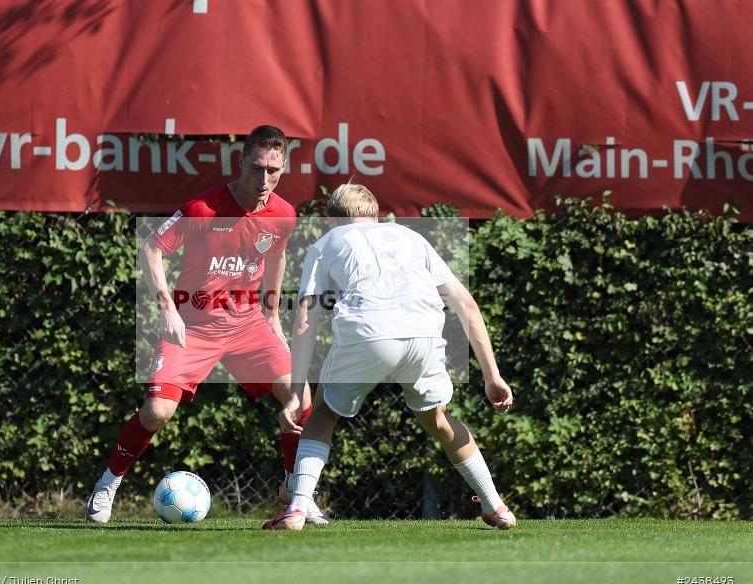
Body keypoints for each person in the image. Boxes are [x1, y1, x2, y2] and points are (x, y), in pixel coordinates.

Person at [86, 125, 326, 524]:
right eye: (257, 168)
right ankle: (108, 481)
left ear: (283, 168)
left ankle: (295, 492)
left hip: (248, 324)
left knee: (299, 400)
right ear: (241, 162)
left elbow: (277, 256)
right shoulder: (203, 209)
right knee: (157, 412)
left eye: (273, 170)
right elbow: (151, 249)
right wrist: (167, 309)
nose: (264, 179)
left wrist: (270, 312)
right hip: (193, 326)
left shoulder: (283, 214)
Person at [263, 183, 516, 531]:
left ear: (329, 220)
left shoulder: (325, 244)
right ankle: (497, 506)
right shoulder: (411, 237)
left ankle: (296, 510)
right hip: (425, 332)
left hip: (370, 332)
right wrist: (492, 375)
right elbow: (466, 303)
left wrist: (295, 391)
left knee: (321, 412)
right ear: (376, 216)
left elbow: (307, 313)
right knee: (438, 419)